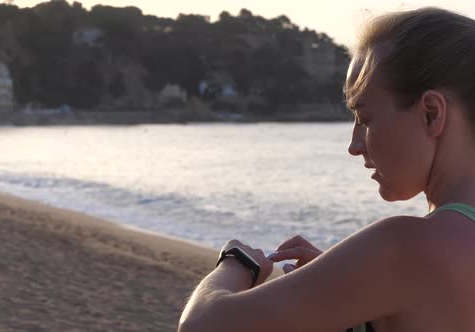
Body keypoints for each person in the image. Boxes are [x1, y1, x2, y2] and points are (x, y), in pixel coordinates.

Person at [178, 7, 475, 332]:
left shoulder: (407, 246)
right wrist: (349, 276)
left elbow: (201, 326)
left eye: (365, 119)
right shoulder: (418, 258)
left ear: (431, 113)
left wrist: (237, 264)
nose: (354, 145)